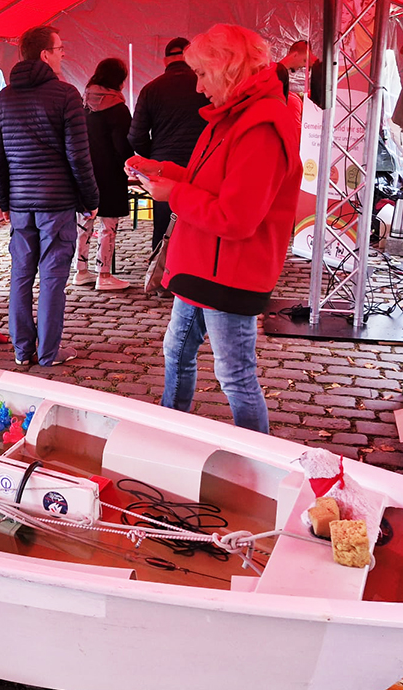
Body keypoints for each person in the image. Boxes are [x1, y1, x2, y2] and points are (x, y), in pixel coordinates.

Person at [127, 25, 301, 435]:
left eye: (203, 75)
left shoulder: (260, 124)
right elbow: (210, 181)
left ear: (228, 70)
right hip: (205, 264)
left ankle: (259, 458)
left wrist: (173, 193)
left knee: (235, 376)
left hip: (230, 271)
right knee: (178, 350)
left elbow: (236, 218)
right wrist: (162, 171)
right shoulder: (234, 116)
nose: (200, 88)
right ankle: (173, 430)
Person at [0, 25, 98, 367]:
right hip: (56, 202)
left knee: (21, 276)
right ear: (45, 55)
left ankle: (23, 352)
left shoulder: (3, 98)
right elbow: (78, 155)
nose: (64, 53)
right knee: (52, 277)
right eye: (60, 47)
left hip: (21, 204)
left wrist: (5, 201)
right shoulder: (66, 95)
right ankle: (49, 353)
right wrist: (90, 198)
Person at [128, 36, 209, 255]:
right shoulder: (206, 86)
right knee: (199, 221)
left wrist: (153, 157)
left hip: (164, 168)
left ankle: (161, 276)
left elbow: (136, 136)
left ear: (165, 61)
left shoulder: (151, 89)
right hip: (202, 164)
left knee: (164, 226)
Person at [74, 58, 133, 292]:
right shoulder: (118, 109)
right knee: (108, 226)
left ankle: (80, 271)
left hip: (85, 174)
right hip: (110, 175)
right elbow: (123, 147)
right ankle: (104, 274)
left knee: (84, 224)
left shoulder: (83, 105)